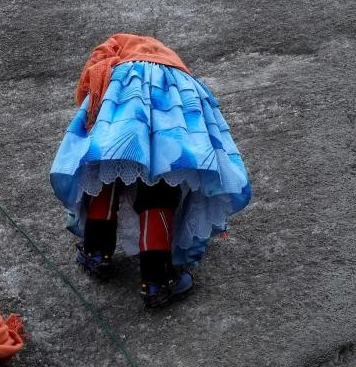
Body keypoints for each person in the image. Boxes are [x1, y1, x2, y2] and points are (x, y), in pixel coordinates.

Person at [50, 33, 251, 308]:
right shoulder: (175, 68)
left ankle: (97, 253)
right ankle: (156, 280)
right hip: (174, 101)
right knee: (160, 183)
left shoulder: (118, 49)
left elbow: (93, 73)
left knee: (105, 170)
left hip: (124, 95)